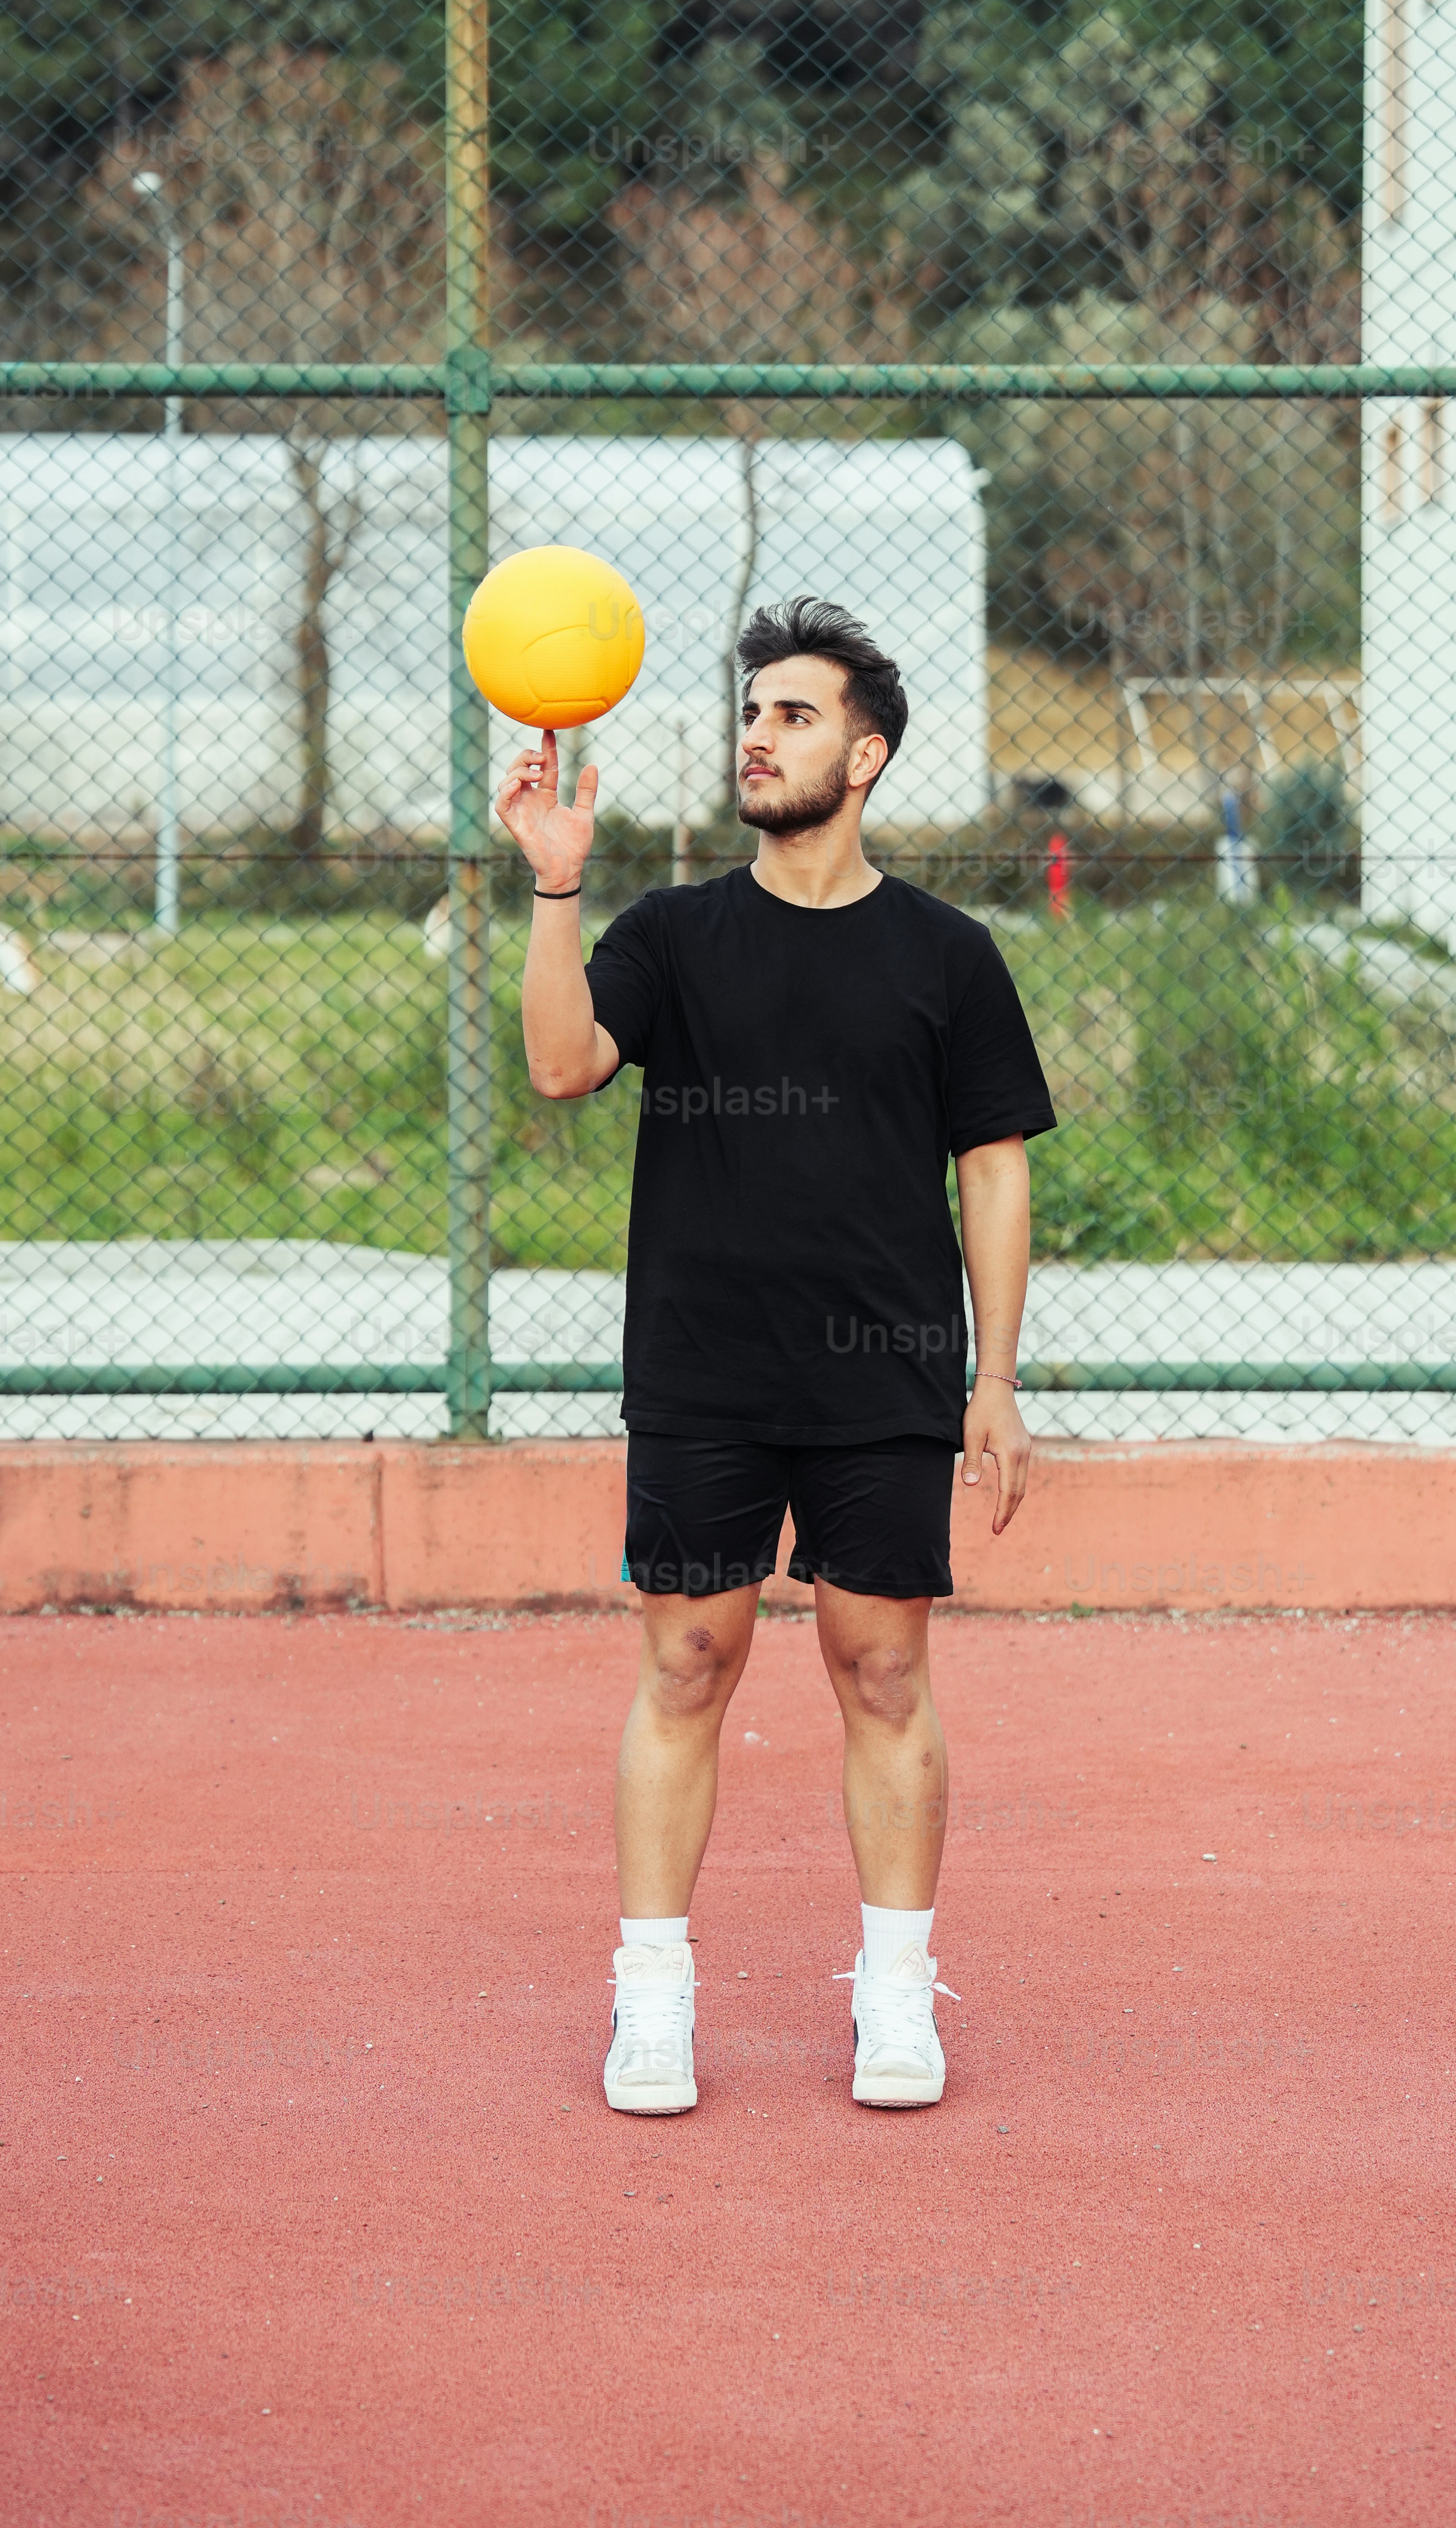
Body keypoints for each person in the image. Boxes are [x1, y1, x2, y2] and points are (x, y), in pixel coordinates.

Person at [495, 595, 1054, 2115]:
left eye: (794, 715)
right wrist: (557, 886)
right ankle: (652, 2002)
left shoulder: (947, 956)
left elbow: (991, 1169)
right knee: (687, 1660)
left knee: (881, 1670)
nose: (758, 734)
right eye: (751, 712)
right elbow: (559, 1066)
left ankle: (892, 1997)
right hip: (704, 1368)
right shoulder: (670, 934)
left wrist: (992, 1378)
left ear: (864, 755)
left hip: (882, 1375)